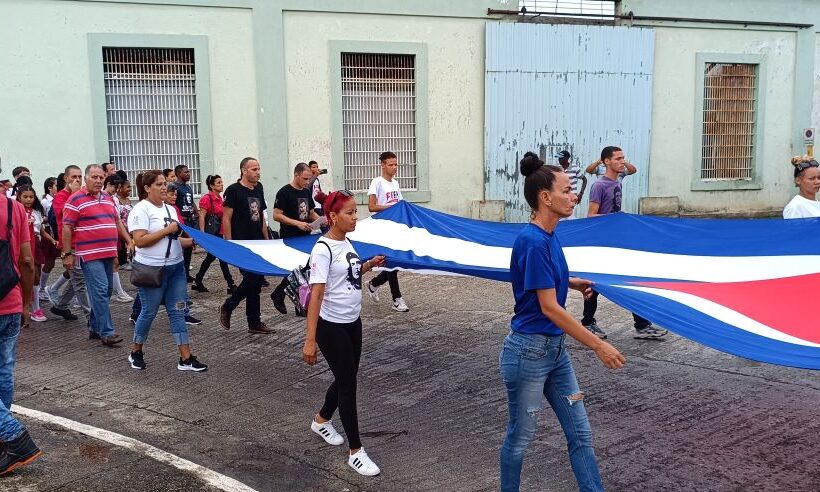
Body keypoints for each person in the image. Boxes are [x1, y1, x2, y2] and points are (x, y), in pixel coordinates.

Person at [499, 151, 625, 492]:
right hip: (528, 354)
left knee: (581, 435)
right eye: (568, 190)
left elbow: (540, 278)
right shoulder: (533, 240)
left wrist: (571, 281)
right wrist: (598, 344)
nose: (575, 196)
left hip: (554, 353)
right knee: (521, 437)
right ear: (545, 197)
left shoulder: (549, 236)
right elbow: (549, 308)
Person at [303, 189, 386, 477]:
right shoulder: (322, 249)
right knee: (349, 385)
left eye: (355, 211)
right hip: (331, 326)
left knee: (346, 377)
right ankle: (356, 452)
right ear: (332, 217)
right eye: (349, 213)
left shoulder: (347, 242)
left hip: (353, 322)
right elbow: (316, 295)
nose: (355, 217)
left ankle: (321, 419)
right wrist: (310, 340)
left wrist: (368, 265)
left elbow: (348, 276)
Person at [125, 170, 207, 372]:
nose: (164, 187)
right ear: (146, 188)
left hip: (176, 268)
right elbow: (140, 241)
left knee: (178, 311)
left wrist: (192, 241)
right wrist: (167, 230)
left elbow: (172, 239)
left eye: (165, 183)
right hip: (151, 270)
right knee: (149, 312)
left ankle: (185, 358)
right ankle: (136, 351)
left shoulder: (170, 210)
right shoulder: (140, 210)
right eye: (159, 184)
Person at [583, 146, 667, 340]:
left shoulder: (617, 182)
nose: (622, 162)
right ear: (606, 161)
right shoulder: (599, 185)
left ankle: (641, 325)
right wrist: (615, 219)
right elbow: (590, 216)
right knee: (595, 284)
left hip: (616, 241)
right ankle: (588, 323)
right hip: (602, 244)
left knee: (629, 280)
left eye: (623, 158)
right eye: (618, 159)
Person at [61, 164, 132, 346]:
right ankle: (107, 333)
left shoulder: (108, 199)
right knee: (100, 291)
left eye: (101, 177)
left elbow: (116, 221)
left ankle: (94, 326)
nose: (98, 181)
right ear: (86, 179)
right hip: (89, 254)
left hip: (108, 252)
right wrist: (67, 253)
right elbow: (67, 227)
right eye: (94, 177)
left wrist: (128, 240)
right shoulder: (75, 199)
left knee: (106, 291)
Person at [0, 188, 42, 474]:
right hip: (11, 300)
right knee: (4, 372)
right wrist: (26, 303)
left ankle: (14, 437)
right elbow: (27, 262)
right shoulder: (15, 208)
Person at [219, 157, 273, 334]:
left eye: (259, 169)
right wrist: (229, 243)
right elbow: (226, 218)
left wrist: (267, 240)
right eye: (254, 169)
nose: (258, 172)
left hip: (258, 242)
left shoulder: (259, 188)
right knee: (250, 279)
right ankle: (228, 306)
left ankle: (254, 322)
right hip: (241, 243)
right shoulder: (233, 190)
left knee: (256, 282)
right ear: (244, 170)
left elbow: (262, 217)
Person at [270, 162, 319, 315]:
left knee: (305, 269)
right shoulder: (284, 192)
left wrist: (322, 221)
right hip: (290, 236)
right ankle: (279, 294)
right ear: (296, 175)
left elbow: (311, 213)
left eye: (309, 179)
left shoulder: (305, 192)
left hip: (305, 236)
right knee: (295, 269)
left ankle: (298, 302)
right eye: (304, 178)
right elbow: (276, 215)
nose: (307, 182)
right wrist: (297, 223)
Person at [365, 151, 410, 312]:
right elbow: (371, 206)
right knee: (391, 262)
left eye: (396, 164)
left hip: (396, 228)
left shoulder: (396, 184)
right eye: (391, 164)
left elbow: (400, 205)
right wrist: (391, 208)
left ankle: (373, 284)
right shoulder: (377, 182)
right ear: (382, 165)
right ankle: (397, 299)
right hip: (383, 228)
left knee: (394, 263)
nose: (394, 167)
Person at [47, 165, 84, 323]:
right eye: (73, 176)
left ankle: (60, 306)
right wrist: (75, 195)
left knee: (77, 278)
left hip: (83, 241)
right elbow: (65, 214)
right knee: (81, 280)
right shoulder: (60, 196)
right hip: (70, 243)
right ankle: (93, 319)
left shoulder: (82, 194)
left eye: (79, 176)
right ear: (66, 178)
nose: (77, 179)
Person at [192, 175, 236, 294]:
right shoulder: (207, 198)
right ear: (211, 186)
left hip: (219, 232)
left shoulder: (220, 198)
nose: (221, 184)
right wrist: (202, 234)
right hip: (212, 233)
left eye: (221, 182)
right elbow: (202, 216)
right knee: (222, 257)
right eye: (218, 183)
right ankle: (230, 284)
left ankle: (198, 280)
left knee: (210, 257)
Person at [16, 186, 49, 322]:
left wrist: (52, 240)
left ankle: (34, 307)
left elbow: (41, 230)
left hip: (35, 242)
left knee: (36, 275)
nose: (29, 199)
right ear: (19, 197)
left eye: (31, 197)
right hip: (21, 244)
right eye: (25, 197)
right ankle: (24, 307)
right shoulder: (16, 210)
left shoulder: (36, 211)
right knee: (23, 274)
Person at [104, 174, 134, 303]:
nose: (116, 190)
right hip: (104, 236)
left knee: (114, 263)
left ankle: (116, 291)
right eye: (115, 187)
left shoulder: (114, 200)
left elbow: (117, 221)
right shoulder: (101, 197)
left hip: (113, 234)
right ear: (108, 184)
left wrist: (128, 239)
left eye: (118, 187)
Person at [173, 165, 198, 282]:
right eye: (185, 172)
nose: (188, 174)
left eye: (189, 171)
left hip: (190, 219)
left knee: (189, 248)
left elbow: (191, 202)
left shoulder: (188, 187)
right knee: (182, 247)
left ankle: (186, 272)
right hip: (181, 220)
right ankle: (180, 273)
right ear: (178, 174)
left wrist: (196, 212)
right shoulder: (175, 187)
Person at [37, 176, 60, 303]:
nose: (58, 188)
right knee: (48, 262)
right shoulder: (45, 201)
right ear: (49, 188)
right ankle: (41, 289)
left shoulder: (57, 199)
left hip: (55, 233)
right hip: (47, 233)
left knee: (51, 263)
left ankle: (45, 288)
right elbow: (41, 217)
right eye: (56, 186)